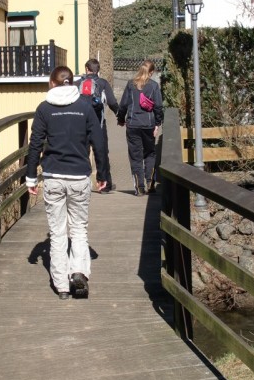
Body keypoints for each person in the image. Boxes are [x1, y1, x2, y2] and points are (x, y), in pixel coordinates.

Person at [26, 66, 107, 300]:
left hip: (53, 177)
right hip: (79, 177)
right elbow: (98, 141)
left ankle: (61, 285)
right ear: (73, 83)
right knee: (79, 230)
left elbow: (35, 145)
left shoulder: (44, 109)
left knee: (57, 233)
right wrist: (102, 174)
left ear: (52, 83)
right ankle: (79, 272)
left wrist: (31, 176)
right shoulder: (85, 106)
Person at [117, 60, 163, 196]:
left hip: (133, 125)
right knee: (150, 153)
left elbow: (123, 104)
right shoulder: (154, 86)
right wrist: (157, 123)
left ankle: (139, 187)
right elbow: (158, 107)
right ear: (151, 72)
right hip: (148, 125)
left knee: (135, 156)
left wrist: (120, 119)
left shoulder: (131, 84)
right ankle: (150, 182)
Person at [75, 58, 119, 193]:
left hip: (81, 123)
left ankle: (81, 185)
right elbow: (111, 102)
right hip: (98, 123)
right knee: (102, 152)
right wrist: (120, 115)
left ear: (87, 69)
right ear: (97, 70)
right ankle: (105, 184)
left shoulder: (77, 83)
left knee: (82, 152)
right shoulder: (103, 83)